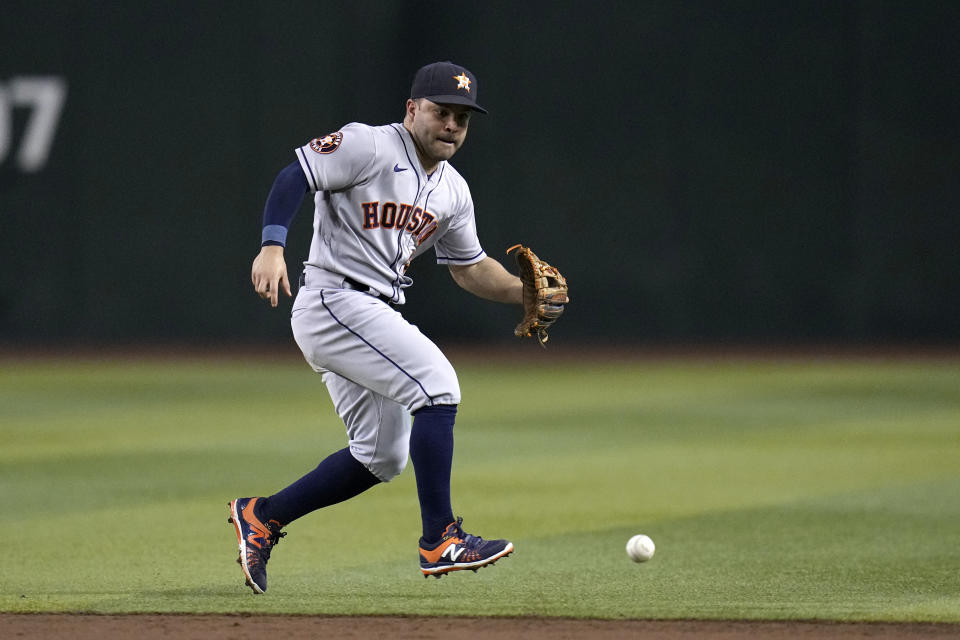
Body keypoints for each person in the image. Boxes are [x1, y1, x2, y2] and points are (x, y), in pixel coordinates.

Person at [228, 61, 563, 594]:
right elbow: (296, 174)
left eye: (462, 117)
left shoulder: (453, 189)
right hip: (333, 298)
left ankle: (263, 516)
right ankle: (441, 539)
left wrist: (524, 292)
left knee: (382, 455)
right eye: (440, 112)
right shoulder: (370, 145)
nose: (451, 124)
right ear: (412, 109)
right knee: (438, 385)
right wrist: (272, 245)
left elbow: (470, 268)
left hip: (373, 310)